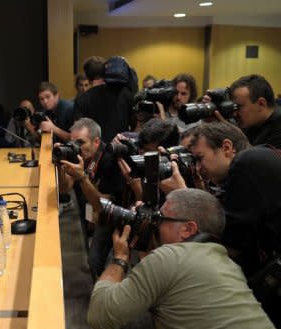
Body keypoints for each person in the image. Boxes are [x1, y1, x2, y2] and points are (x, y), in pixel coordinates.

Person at [87, 188, 274, 329]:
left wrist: (120, 258)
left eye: (160, 219)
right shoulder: (230, 266)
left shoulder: (169, 258)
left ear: (188, 229)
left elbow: (99, 314)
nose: (154, 225)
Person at [159, 122, 281, 326]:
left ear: (226, 147)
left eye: (200, 158)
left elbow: (228, 247)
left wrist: (185, 196)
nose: (198, 168)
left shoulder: (245, 163)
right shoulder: (262, 154)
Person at [56, 118, 124, 276]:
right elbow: (65, 189)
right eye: (73, 143)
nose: (76, 147)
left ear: (96, 142)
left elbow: (103, 207)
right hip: (87, 209)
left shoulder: (110, 159)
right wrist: (59, 165)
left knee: (95, 261)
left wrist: (82, 178)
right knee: (90, 253)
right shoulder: (79, 154)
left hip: (112, 215)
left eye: (81, 142)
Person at [74, 56, 134, 143]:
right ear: (105, 72)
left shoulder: (81, 100)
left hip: (96, 152)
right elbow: (134, 123)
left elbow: (78, 132)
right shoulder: (124, 93)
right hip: (121, 147)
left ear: (87, 76)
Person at [230, 74, 281, 148]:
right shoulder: (253, 121)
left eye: (238, 107)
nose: (234, 113)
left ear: (261, 104)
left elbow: (258, 158)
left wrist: (235, 135)